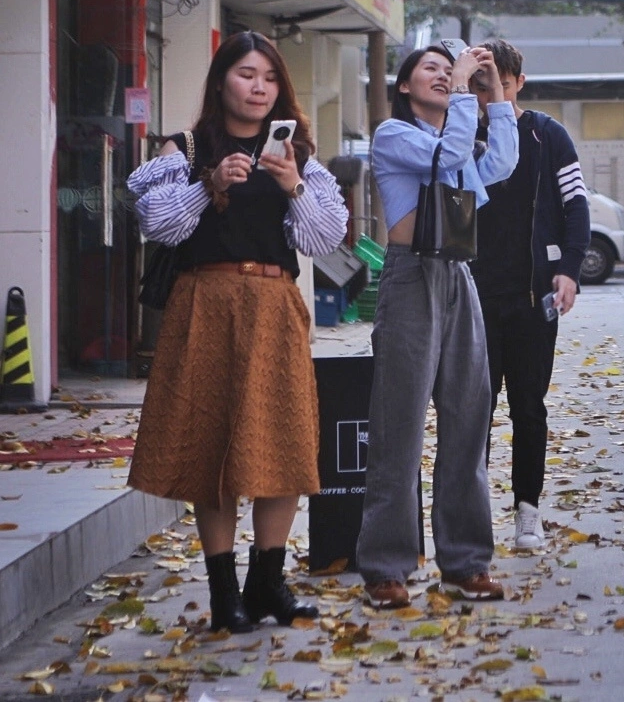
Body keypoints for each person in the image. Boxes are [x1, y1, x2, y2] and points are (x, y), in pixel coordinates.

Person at [127, 32, 349, 633]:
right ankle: (224, 593)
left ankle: (267, 584)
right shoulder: (188, 146)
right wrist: (209, 184)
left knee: (285, 444)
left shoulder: (297, 151)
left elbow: (324, 240)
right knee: (212, 447)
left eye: (270, 78)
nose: (259, 87)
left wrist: (291, 184)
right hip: (205, 304)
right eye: (247, 74)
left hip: (275, 305)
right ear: (221, 79)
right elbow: (158, 224)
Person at [358, 43, 516, 610]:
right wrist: (467, 100)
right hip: (410, 277)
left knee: (469, 417)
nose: (446, 75)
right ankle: (385, 567)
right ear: (405, 85)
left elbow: (499, 164)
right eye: (433, 68)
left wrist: (493, 93)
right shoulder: (393, 135)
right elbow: (446, 160)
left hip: (457, 273)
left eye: (451, 71)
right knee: (399, 423)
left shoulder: (453, 139)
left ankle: (466, 563)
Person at [469, 40, 591, 548]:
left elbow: (576, 204)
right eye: (476, 84)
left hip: (532, 295)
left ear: (518, 82)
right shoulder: (460, 137)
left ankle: (527, 512)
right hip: (472, 297)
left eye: (495, 82)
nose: (485, 94)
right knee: (473, 409)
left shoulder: (546, 135)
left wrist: (568, 269)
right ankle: (468, 519)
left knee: (529, 406)